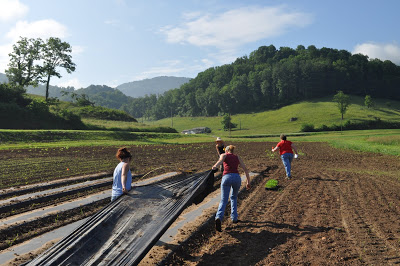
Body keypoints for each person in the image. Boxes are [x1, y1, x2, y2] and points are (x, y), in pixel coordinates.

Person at [212, 145, 251, 232]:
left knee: (224, 200)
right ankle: (234, 218)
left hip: (227, 177)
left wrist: (214, 167)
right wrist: (248, 182)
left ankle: (218, 217)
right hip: (237, 178)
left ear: (226, 151)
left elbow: (220, 161)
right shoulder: (237, 157)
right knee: (233, 197)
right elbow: (245, 169)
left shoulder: (224, 155)